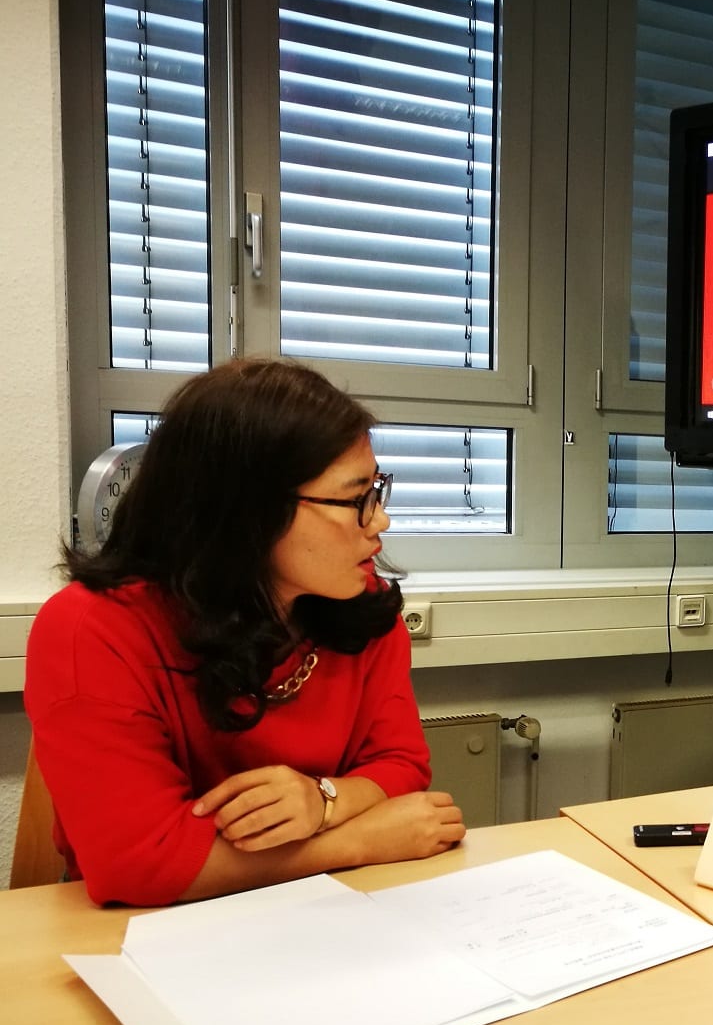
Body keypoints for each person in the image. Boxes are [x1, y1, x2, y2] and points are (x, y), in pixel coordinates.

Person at [24, 358, 465, 906]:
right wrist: (354, 840)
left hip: (326, 911)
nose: (380, 520)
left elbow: (402, 767)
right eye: (355, 499)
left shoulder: (361, 607)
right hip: (141, 931)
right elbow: (138, 865)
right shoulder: (92, 628)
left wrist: (323, 801)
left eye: (376, 490)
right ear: (247, 511)